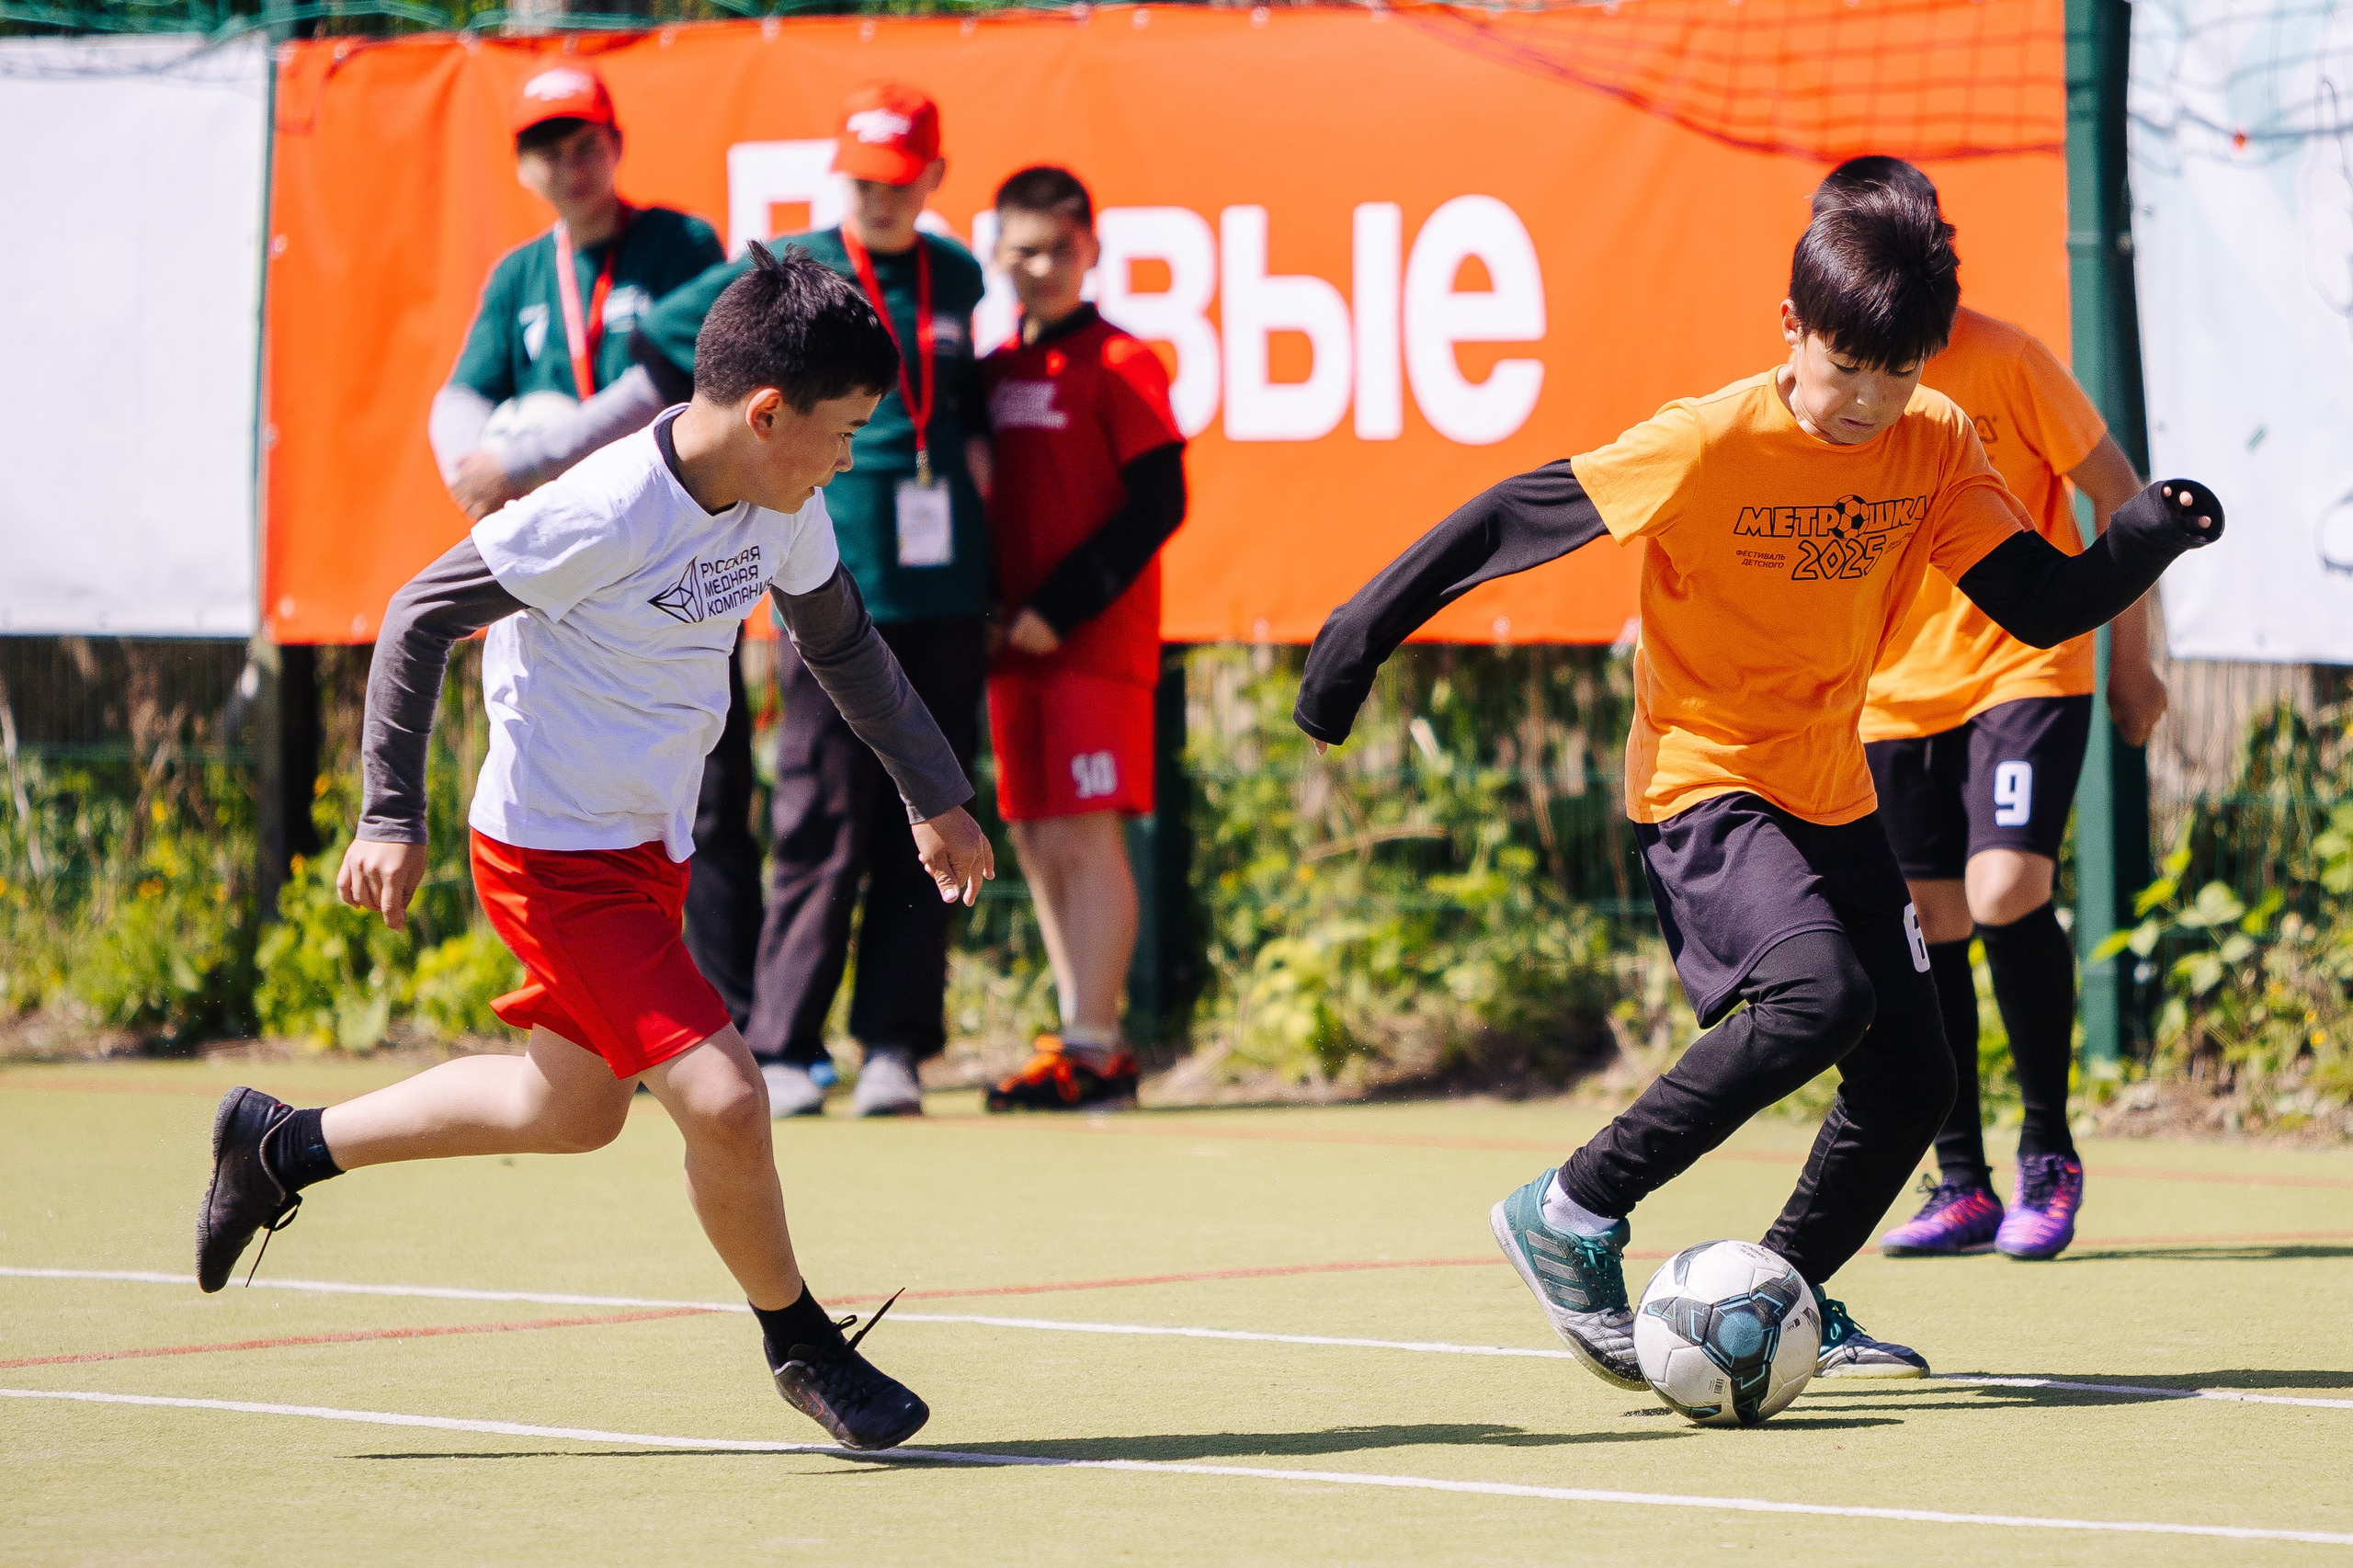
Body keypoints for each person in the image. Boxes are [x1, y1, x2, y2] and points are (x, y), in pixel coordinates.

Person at [1293, 185, 2221, 1390]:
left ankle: (1786, 1291)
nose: (1871, 401)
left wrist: (2143, 533)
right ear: (1789, 324)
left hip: (1833, 783)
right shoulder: (1706, 441)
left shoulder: (1934, 440)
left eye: (1900, 371)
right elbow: (1509, 519)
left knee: (1916, 1074)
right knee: (1817, 994)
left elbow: (2037, 601)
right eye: (1847, 368)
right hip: (1703, 777)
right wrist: (1353, 642)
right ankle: (1571, 1206)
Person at [195, 244, 995, 1451]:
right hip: (553, 858)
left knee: (569, 1109)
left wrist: (935, 790)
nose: (851, 456)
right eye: (843, 432)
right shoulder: (603, 508)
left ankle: (278, 1145)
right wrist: (388, 813)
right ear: (768, 413)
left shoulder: (784, 503)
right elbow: (420, 614)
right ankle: (803, 1345)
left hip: (645, 844)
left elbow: (846, 649)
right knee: (724, 1099)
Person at [1812, 159, 2166, 1263]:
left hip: (2026, 662)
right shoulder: (1832, 380)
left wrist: (2136, 655)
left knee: (2006, 885)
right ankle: (1958, 1175)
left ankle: (2048, 1152)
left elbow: (2122, 493)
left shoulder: (2006, 360)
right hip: (1892, 690)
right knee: (1930, 927)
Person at [631, 84, 990, 1119]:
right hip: (828, 573)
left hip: (948, 581)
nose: (876, 196)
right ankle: (786, 1041)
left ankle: (895, 1045)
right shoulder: (795, 265)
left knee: (934, 804)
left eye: (897, 178)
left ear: (932, 177)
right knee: (820, 811)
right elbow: (666, 326)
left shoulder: (957, 273)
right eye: (861, 177)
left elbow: (958, 413)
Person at [420, 64, 764, 1029]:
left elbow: (671, 381)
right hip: (568, 568)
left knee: (706, 783)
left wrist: (534, 449)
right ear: (523, 166)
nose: (569, 166)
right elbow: (461, 394)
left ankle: (728, 1016)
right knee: (548, 774)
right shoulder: (522, 274)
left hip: (670, 549)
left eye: (585, 145)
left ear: (615, 147)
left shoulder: (680, 244)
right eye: (546, 150)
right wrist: (473, 461)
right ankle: (595, 1009)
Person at [968, 167, 1188, 1112]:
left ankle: (1099, 1045)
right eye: (1024, 249)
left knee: (1089, 836)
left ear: (1092, 249)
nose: (1043, 266)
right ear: (995, 254)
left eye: (1061, 248)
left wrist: (1060, 605)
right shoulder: (992, 372)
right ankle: (1076, 1033)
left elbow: (1159, 503)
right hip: (1009, 647)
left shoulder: (1124, 361)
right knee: (1036, 835)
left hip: (1092, 641)